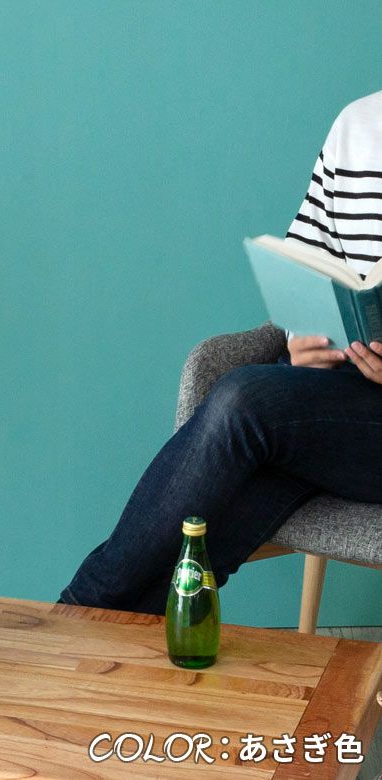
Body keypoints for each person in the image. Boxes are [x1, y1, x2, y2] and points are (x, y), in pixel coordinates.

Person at [59, 90, 382, 614]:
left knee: (243, 400)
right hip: (339, 393)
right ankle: (103, 639)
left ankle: (73, 612)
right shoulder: (357, 125)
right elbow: (308, 262)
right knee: (238, 492)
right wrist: (303, 336)